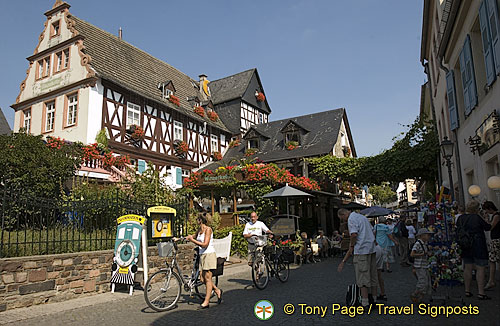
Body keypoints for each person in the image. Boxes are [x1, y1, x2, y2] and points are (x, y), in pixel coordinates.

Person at [337, 208, 377, 308]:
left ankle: (365, 302)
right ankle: (374, 299)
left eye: (342, 219)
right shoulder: (362, 217)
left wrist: (352, 245)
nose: (344, 221)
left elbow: (354, 234)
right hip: (371, 248)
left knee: (362, 277)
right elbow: (373, 231)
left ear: (343, 214)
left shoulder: (351, 219)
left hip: (361, 250)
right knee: (372, 275)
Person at [186, 213, 222, 309]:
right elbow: (191, 237)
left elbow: (205, 244)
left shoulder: (208, 230)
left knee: (208, 278)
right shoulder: (199, 230)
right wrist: (179, 239)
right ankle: (217, 290)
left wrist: (192, 241)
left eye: (197, 219)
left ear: (200, 220)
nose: (196, 221)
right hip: (202, 256)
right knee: (202, 279)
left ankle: (206, 301)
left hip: (209, 255)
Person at [457, 200, 492, 300]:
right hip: (478, 244)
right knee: (480, 268)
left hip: (465, 245)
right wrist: (486, 218)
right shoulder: (477, 217)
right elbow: (488, 227)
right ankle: (481, 292)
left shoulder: (461, 218)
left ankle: (467, 290)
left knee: (467, 268)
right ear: (477, 209)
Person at [410, 228, 433, 303]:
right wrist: (422, 254)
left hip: (424, 265)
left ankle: (420, 299)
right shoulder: (418, 243)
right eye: (427, 235)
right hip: (419, 266)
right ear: (422, 235)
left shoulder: (424, 243)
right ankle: (415, 295)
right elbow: (412, 254)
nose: (429, 236)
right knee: (422, 282)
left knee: (427, 283)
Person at [482, 201, 500, 290]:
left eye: (486, 210)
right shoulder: (494, 216)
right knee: (492, 260)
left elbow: (490, 227)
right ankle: (491, 280)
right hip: (494, 240)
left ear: (489, 208)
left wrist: (486, 220)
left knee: (494, 259)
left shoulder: (497, 216)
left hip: (497, 240)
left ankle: (491, 281)